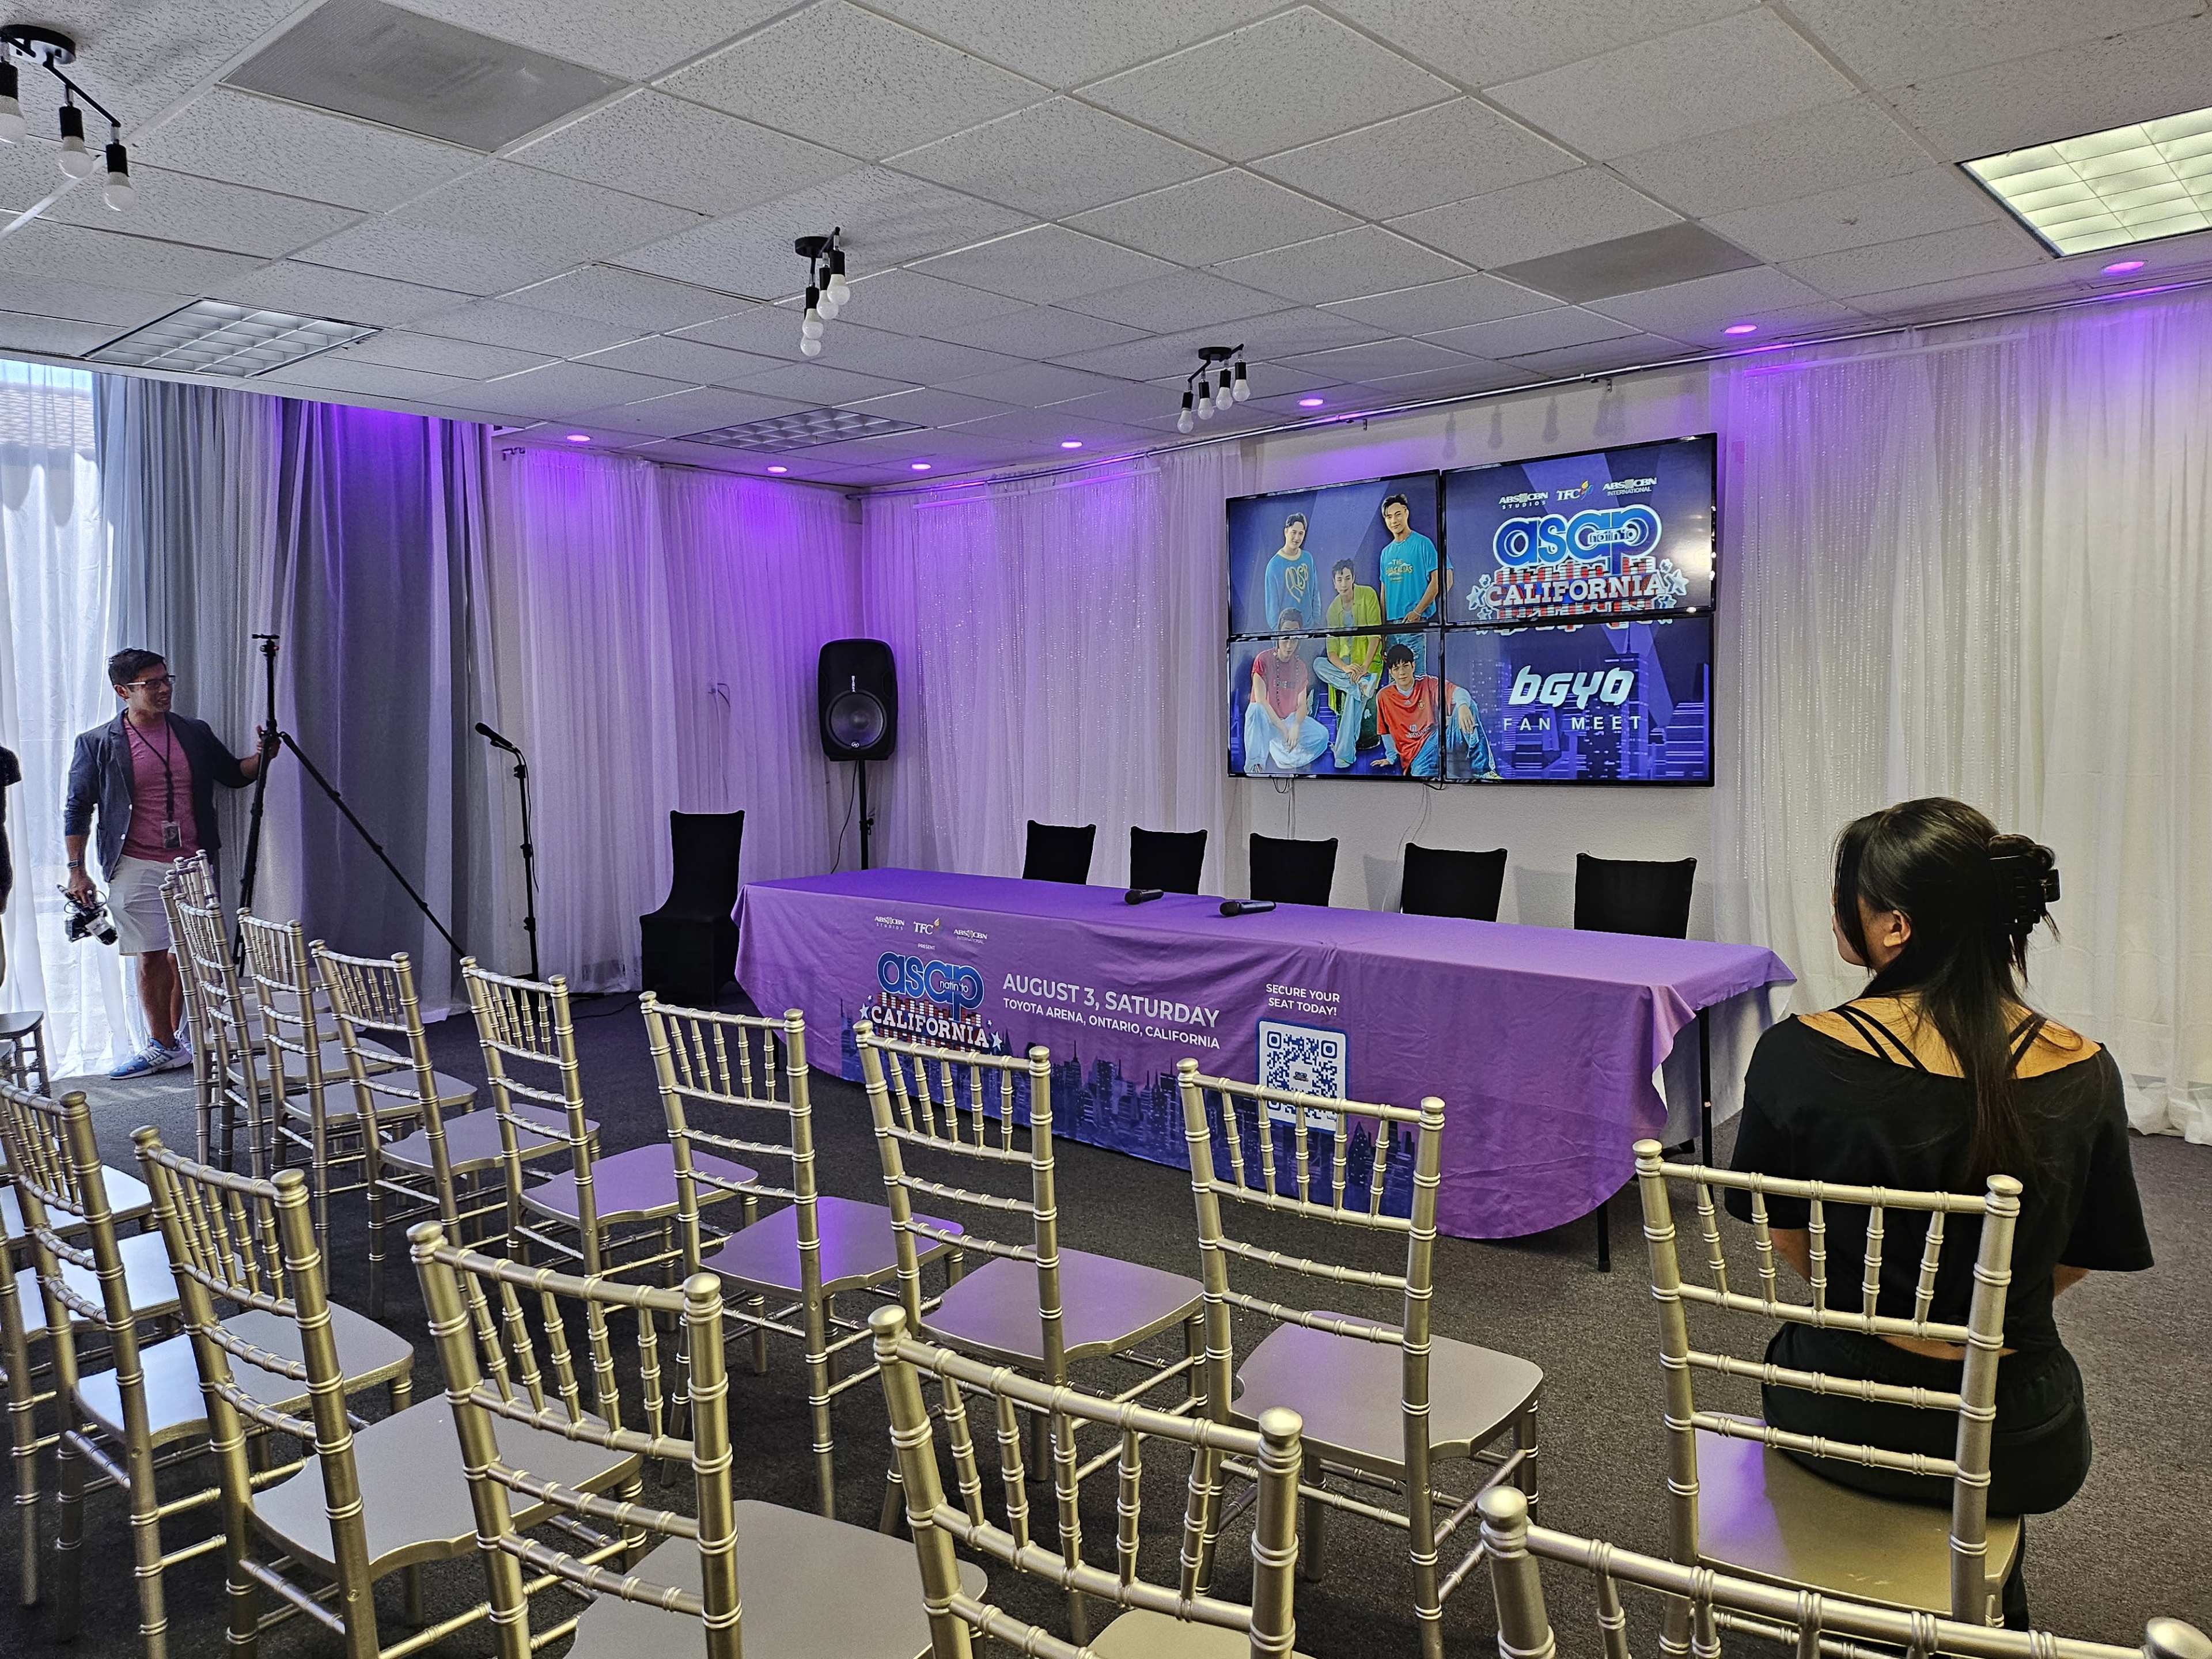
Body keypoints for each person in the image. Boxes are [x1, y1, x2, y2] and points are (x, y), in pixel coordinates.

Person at [1725, 798, 2151, 1627]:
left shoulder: (1795, 1054)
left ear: (1893, 927)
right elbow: (2075, 1256)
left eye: (1845, 892)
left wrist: (1882, 1301)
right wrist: (1972, 1313)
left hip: (1830, 1409)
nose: (1834, 909)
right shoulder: (2087, 1072)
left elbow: (1786, 1231)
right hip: (2012, 1442)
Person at [63, 649, 274, 1078]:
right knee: (151, 954)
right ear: (123, 692)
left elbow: (234, 774)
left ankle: (185, 1039)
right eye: (150, 684)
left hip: (193, 860)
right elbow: (77, 807)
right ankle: (160, 1043)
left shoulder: (192, 732)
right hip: (135, 861)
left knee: (193, 956)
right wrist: (76, 869)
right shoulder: (97, 742)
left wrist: (263, 756)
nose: (163, 689)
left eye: (165, 679)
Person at [1370, 642, 1493, 778]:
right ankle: (1452, 773)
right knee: (1422, 777)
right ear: (1391, 672)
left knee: (1469, 705)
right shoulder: (1384, 696)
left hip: (1437, 739)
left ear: (1413, 666)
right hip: (1416, 755)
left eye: (1405, 666)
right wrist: (1390, 758)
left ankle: (1483, 770)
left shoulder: (1428, 683)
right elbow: (1385, 730)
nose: (1402, 673)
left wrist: (1463, 706)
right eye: (1396, 669)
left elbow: (1459, 692)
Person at [1241, 611, 1328, 776]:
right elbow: (1261, 701)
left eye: (1295, 638)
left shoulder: (1301, 667)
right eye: (1286, 637)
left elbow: (1302, 705)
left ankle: (1285, 759)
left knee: (1322, 736)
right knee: (1255, 710)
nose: (1289, 645)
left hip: (1288, 720)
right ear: (1278, 634)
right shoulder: (1263, 660)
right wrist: (1283, 730)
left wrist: (1295, 726)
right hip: (1266, 722)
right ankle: (1255, 766)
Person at [1314, 558, 1382, 768]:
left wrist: (1363, 669)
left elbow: (1375, 636)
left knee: (1354, 699)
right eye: (1339, 580)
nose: (1344, 584)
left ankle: (1344, 755)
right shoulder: (1333, 610)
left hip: (1368, 666)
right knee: (1318, 663)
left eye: (1347, 578)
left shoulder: (1368, 595)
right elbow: (1332, 652)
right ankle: (1357, 684)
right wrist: (1347, 670)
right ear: (1334, 583)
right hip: (1347, 671)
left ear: (1353, 579)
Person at [1377, 492, 1446, 673]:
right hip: (1391, 627)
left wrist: (1417, 612)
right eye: (1389, 517)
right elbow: (1384, 593)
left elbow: (1437, 581)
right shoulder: (1385, 553)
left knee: (1416, 679)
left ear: (1406, 513)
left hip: (1413, 623)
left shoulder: (1423, 544)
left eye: (1398, 514)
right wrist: (1383, 630)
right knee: (1395, 683)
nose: (1394, 521)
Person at [1259, 512, 1318, 639]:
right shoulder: (1274, 565)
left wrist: (1315, 623)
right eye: (1294, 532)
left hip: (1309, 631)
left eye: (1301, 534)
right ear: (1286, 532)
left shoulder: (1308, 558)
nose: (1297, 538)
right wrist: (1281, 637)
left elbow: (1315, 592)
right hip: (1286, 637)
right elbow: (1272, 608)